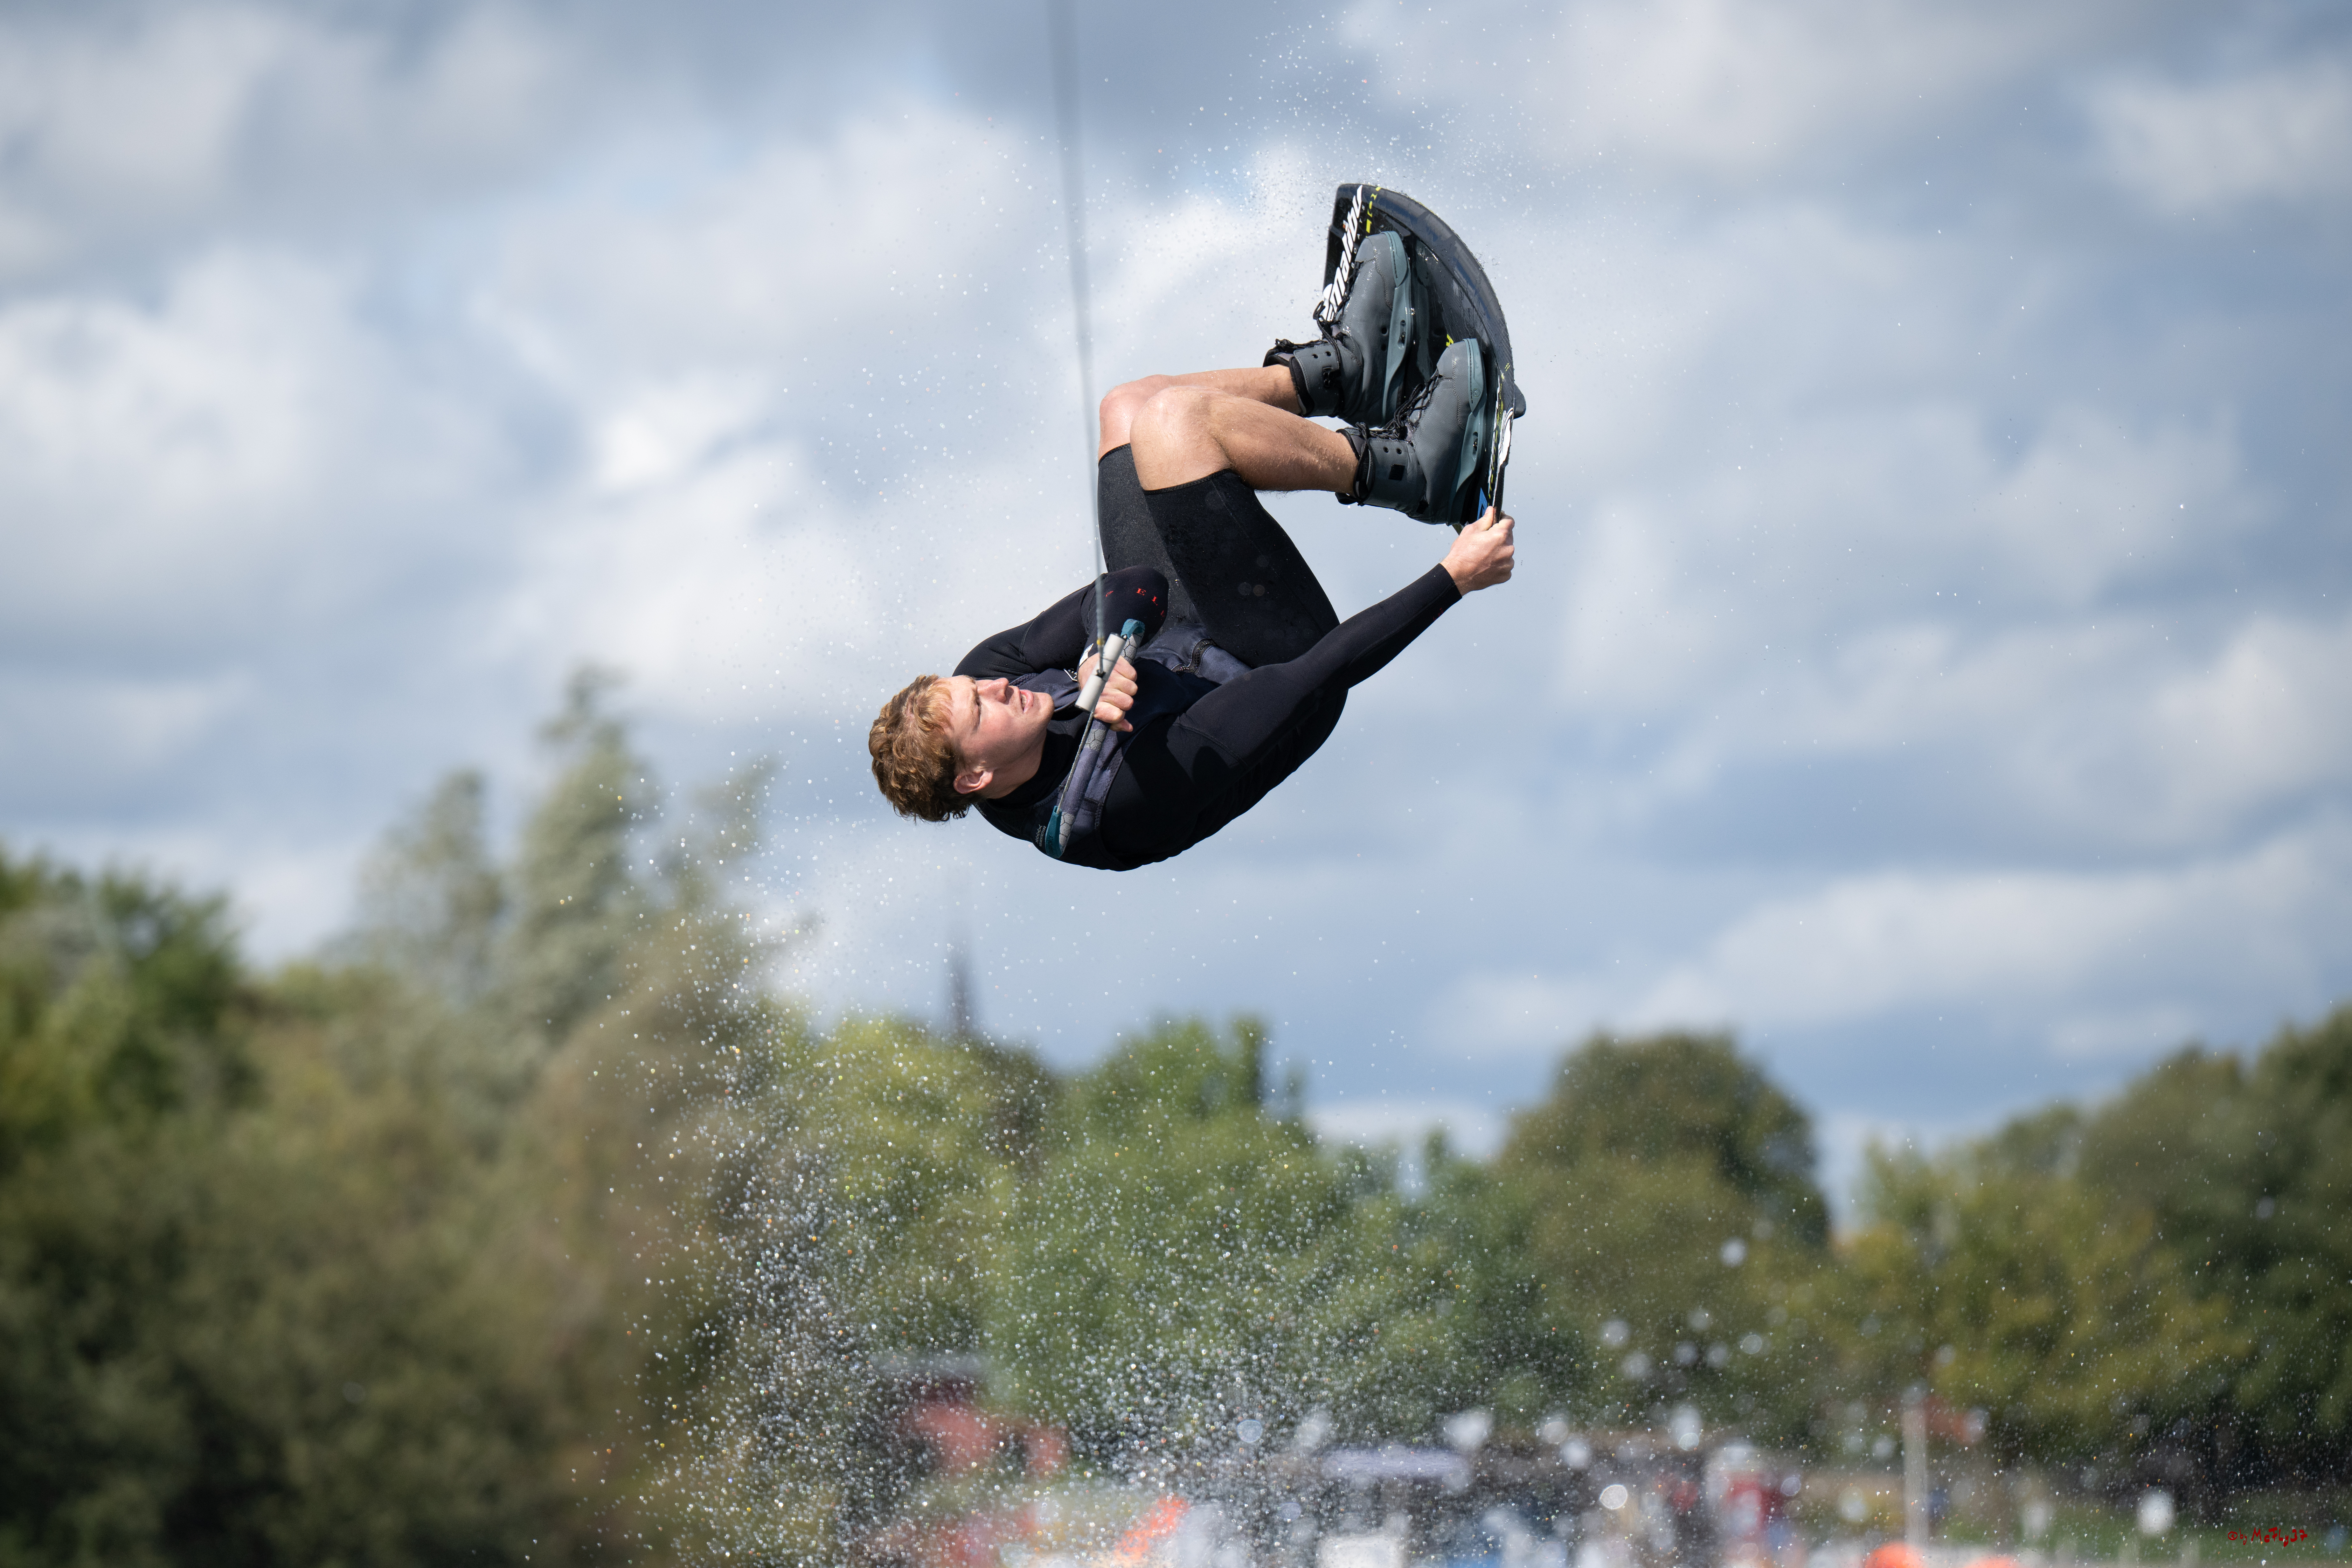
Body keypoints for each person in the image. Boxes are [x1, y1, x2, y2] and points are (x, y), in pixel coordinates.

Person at [867, 238, 1516, 870]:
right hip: (1276, 668)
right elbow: (1314, 677)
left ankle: (1346, 373)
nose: (996, 686)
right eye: (982, 708)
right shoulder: (1115, 806)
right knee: (1177, 423)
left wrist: (1104, 646)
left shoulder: (990, 674)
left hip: (1176, 638)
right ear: (975, 776)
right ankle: (1411, 473)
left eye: (975, 688)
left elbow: (1135, 584)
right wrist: (1453, 577)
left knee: (1129, 408)